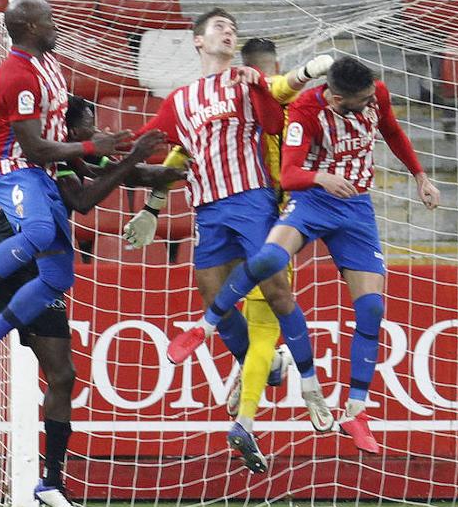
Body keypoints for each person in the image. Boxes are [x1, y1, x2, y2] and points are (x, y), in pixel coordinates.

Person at [0, 97, 182, 507]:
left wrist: (183, 171)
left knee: (62, 374)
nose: (94, 134)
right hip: (2, 260)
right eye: (88, 128)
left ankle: (53, 482)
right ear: (69, 130)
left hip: (41, 269)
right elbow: (84, 200)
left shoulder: (72, 159)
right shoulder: (48, 163)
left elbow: (127, 173)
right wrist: (134, 159)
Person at [167, 56, 440, 455]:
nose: (369, 105)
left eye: (370, 98)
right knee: (269, 259)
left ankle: (355, 411)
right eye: (360, 101)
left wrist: (420, 176)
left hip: (356, 208)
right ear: (335, 97)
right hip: (313, 201)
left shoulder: (375, 94)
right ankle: (204, 328)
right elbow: (290, 174)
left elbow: (393, 131)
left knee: (371, 309)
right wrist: (322, 177)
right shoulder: (305, 110)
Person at [124, 36, 334, 472]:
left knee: (250, 316)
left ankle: (250, 416)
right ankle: (261, 391)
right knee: (240, 317)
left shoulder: (266, 102)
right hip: (248, 215)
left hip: (265, 215)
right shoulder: (255, 103)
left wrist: (151, 207)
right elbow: (183, 151)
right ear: (272, 65)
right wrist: (150, 208)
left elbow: (179, 154)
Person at [0, 0, 130, 397]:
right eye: (49, 20)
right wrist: (93, 151)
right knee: (40, 231)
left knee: (57, 278)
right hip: (14, 171)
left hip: (41, 174)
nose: (55, 25)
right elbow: (35, 148)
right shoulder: (16, 75)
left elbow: (60, 137)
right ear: (29, 28)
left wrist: (106, 153)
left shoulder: (50, 64)